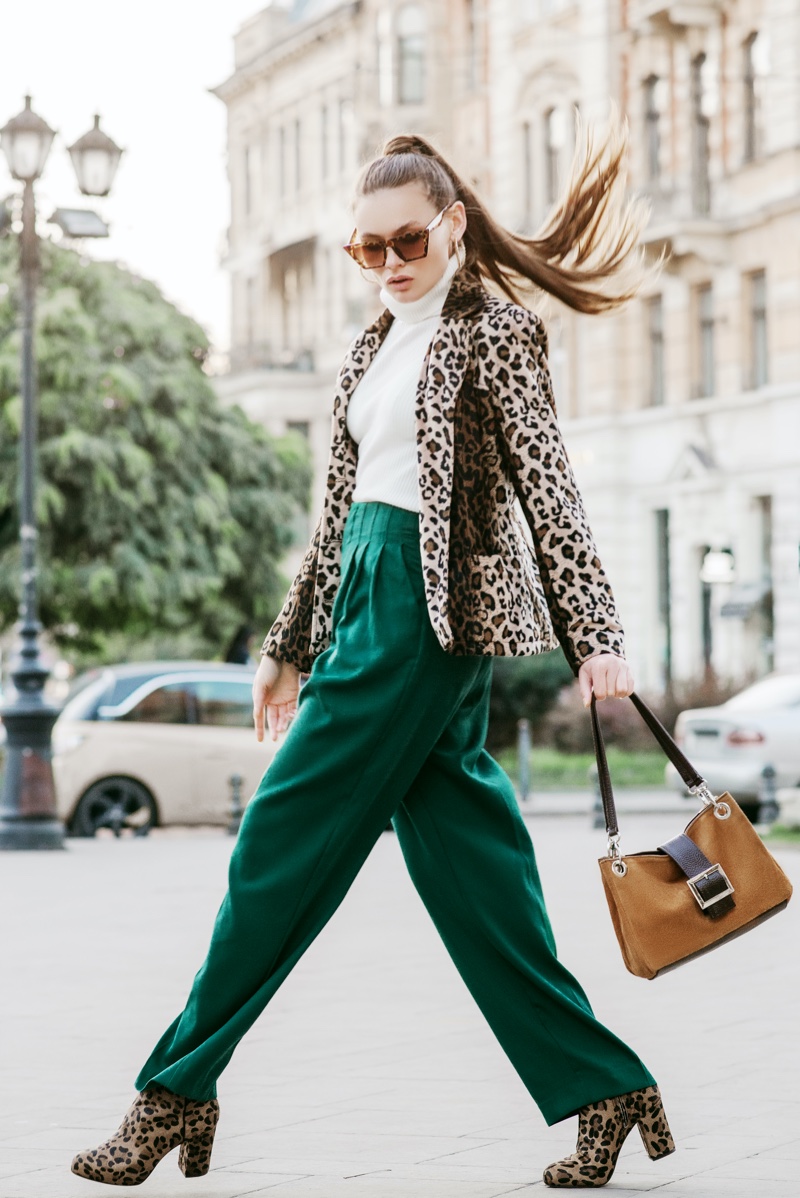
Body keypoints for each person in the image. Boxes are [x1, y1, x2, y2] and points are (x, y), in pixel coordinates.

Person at [71, 112, 676, 1190]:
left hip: (421, 618)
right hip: (362, 587)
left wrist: (599, 639)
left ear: (449, 227)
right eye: (368, 248)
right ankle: (607, 1087)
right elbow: (337, 509)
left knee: (279, 838)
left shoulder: (492, 331)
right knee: (473, 872)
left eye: (407, 241)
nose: (388, 264)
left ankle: (173, 1093)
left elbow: (550, 487)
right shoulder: (369, 345)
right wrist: (283, 642)